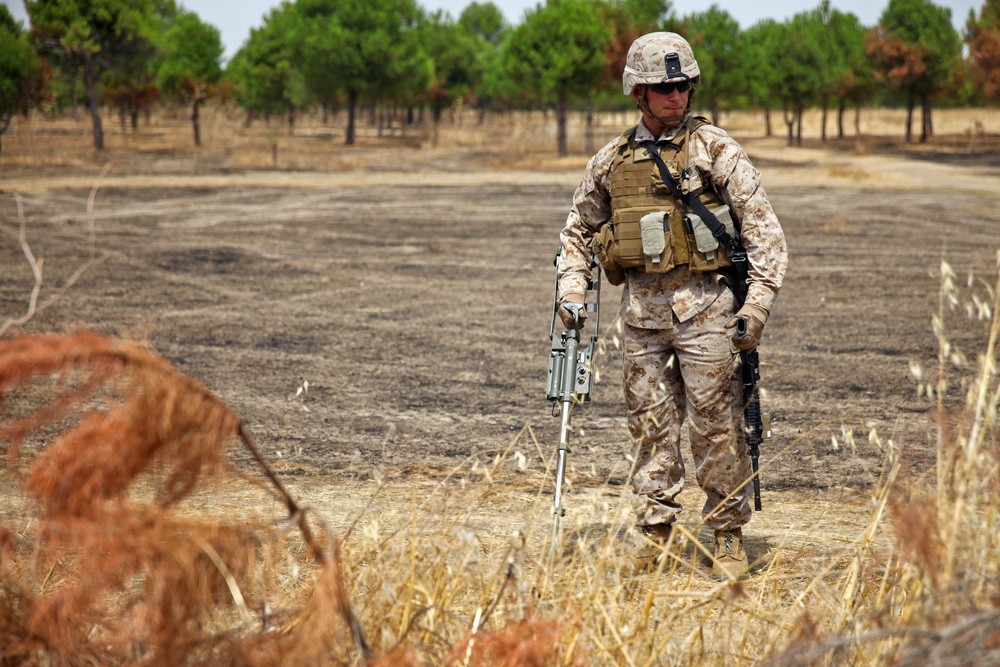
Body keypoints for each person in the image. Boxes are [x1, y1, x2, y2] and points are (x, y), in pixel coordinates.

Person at [555, 32, 787, 578]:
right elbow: (577, 232)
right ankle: (656, 531)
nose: (676, 97)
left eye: (683, 86)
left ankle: (726, 533)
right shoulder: (612, 161)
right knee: (651, 426)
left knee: (716, 427)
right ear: (638, 92)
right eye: (663, 88)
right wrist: (571, 290)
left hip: (709, 315)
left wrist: (755, 307)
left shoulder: (717, 151)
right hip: (642, 321)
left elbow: (765, 235)